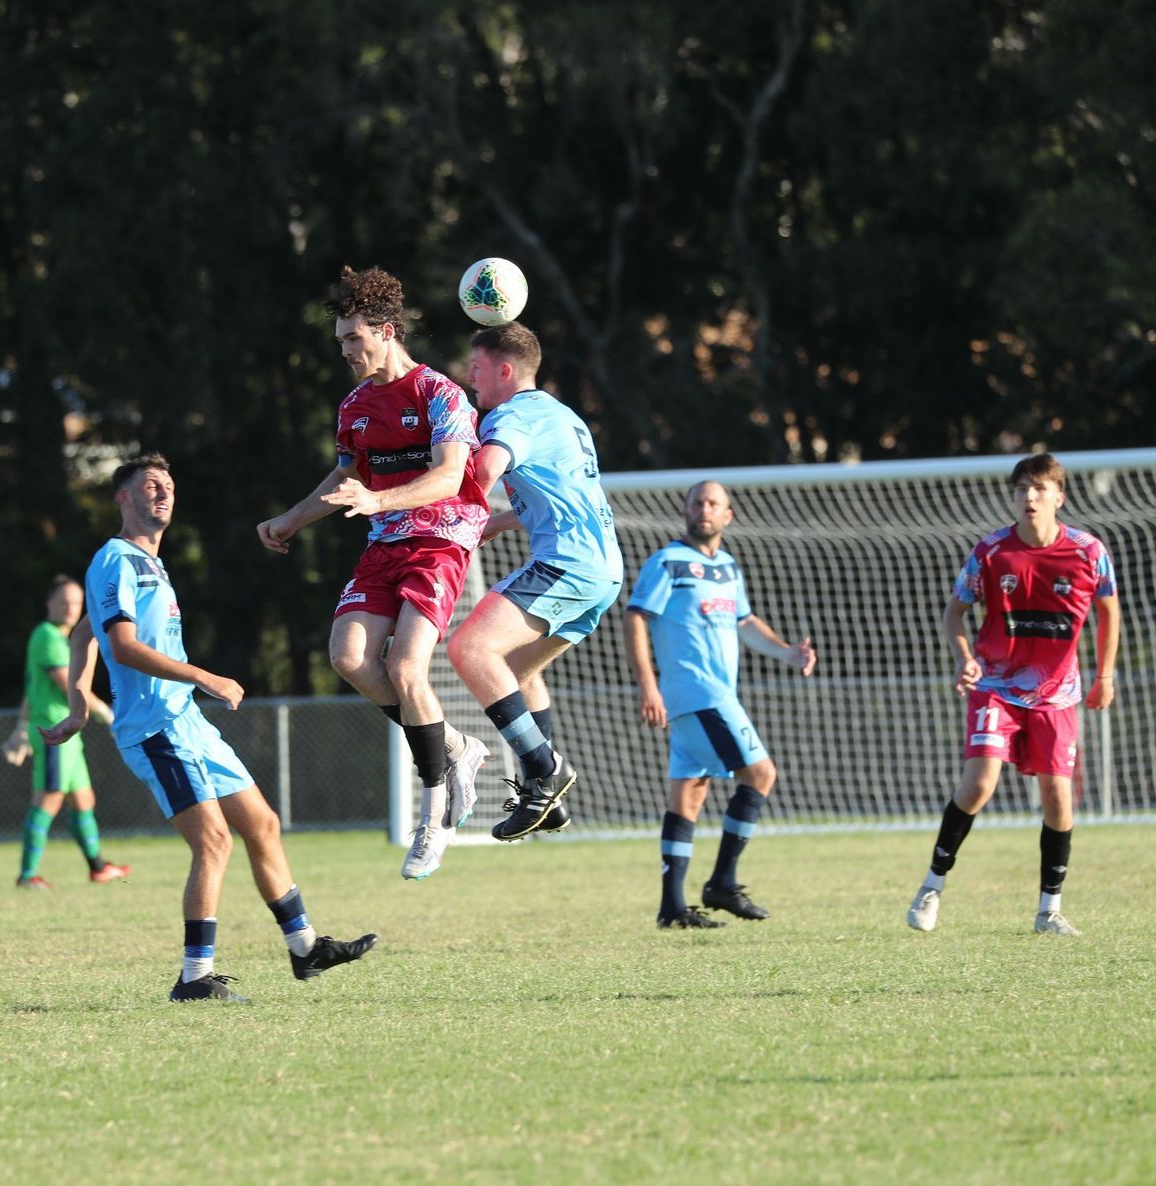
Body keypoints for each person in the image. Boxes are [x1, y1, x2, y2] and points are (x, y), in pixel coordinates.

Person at [48, 454, 378, 1001]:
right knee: (214, 842)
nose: (163, 494)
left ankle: (305, 948)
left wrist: (80, 707)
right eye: (150, 485)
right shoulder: (115, 560)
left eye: (169, 486)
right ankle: (194, 978)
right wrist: (204, 675)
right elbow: (123, 647)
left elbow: (84, 636)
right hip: (156, 729)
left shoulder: (151, 564)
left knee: (263, 825)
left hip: (188, 722)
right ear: (121, 499)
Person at [257, 265, 492, 881]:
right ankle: (458, 749)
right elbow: (343, 479)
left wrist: (380, 501)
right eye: (339, 340)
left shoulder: (440, 394)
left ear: (387, 332)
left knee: (406, 666)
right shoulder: (355, 407)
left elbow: (447, 476)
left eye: (352, 339)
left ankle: (433, 816)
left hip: (441, 538)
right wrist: (289, 520)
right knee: (348, 657)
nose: (345, 350)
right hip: (385, 541)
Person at [907, 454, 1121, 936]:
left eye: (1040, 488)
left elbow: (1110, 612)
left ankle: (1049, 910)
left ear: (1059, 497)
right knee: (980, 784)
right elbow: (954, 613)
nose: (1030, 496)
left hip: (1057, 694)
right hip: (996, 686)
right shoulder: (991, 552)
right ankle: (931, 886)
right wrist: (965, 658)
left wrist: (1104, 676)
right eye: (1022, 487)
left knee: (1057, 798)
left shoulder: (1088, 551)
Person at [447, 322, 623, 841]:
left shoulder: (513, 414)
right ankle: (541, 795)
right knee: (519, 671)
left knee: (470, 649)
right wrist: (496, 524)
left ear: (505, 371)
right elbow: (562, 496)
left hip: (567, 564)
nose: (469, 378)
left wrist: (438, 497)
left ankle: (546, 770)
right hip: (601, 568)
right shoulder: (562, 416)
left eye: (476, 369)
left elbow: (482, 472)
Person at [624, 482, 817, 929]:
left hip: (713, 694)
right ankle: (722, 884)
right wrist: (647, 684)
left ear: (728, 515)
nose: (704, 509)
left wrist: (787, 651)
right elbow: (636, 615)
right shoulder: (667, 562)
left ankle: (672, 908)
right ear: (685, 510)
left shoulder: (728, 567)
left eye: (713, 503)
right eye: (696, 502)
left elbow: (744, 621)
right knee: (762, 773)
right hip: (697, 693)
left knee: (689, 793)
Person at [0, 574, 129, 889]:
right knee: (47, 801)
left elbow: (32, 689)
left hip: (68, 735)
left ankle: (98, 866)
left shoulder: (60, 637)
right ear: (50, 604)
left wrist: (19, 726)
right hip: (55, 733)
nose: (71, 608)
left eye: (76, 602)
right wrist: (105, 714)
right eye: (64, 601)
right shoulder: (47, 635)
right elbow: (67, 682)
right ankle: (27, 875)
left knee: (83, 799)